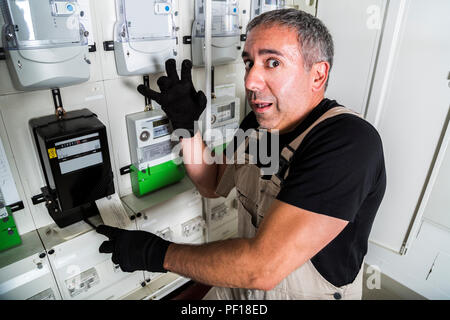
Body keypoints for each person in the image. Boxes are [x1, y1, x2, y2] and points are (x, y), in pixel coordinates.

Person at [96, 8, 386, 300]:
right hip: (243, 281)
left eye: (272, 62)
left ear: (317, 74)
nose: (250, 81)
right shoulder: (258, 128)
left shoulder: (349, 142)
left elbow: (263, 268)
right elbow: (211, 184)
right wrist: (186, 127)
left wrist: (155, 254)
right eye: (249, 63)